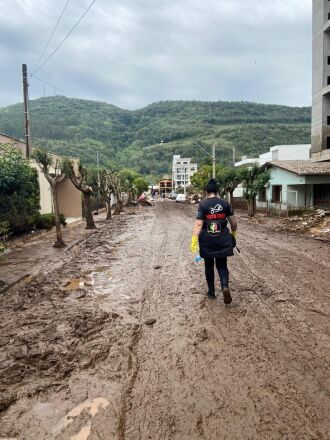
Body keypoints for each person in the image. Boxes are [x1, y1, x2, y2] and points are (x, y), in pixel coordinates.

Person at [190, 178, 237, 303]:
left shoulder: (203, 205)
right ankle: (225, 286)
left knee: (209, 266)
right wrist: (234, 234)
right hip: (223, 239)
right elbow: (233, 222)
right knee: (222, 264)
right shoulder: (225, 203)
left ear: (206, 192)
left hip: (207, 241)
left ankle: (211, 293)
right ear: (217, 191)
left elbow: (199, 225)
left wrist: (194, 240)